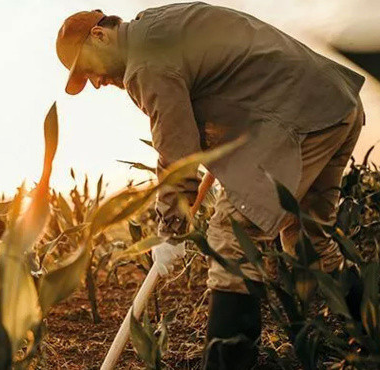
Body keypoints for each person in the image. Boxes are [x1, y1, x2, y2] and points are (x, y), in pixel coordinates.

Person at [55, 3, 365, 369]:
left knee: (232, 237)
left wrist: (169, 228)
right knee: (309, 242)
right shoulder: (157, 27)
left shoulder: (146, 63)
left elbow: (176, 149)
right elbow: (227, 80)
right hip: (333, 104)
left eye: (86, 68)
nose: (94, 81)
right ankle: (370, 331)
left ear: (100, 35)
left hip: (297, 118)